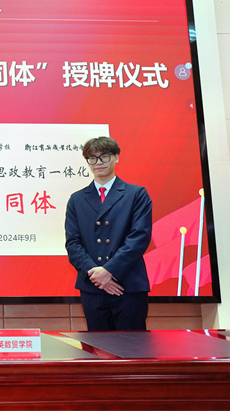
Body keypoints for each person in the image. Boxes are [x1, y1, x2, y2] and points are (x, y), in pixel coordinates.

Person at [64, 136, 153, 331]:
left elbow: (139, 238)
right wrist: (97, 275)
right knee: (96, 346)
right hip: (92, 287)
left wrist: (109, 271)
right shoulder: (76, 199)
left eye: (104, 156)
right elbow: (73, 243)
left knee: (132, 345)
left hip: (128, 285)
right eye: (92, 158)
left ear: (116, 157)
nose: (98, 162)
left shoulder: (136, 194)